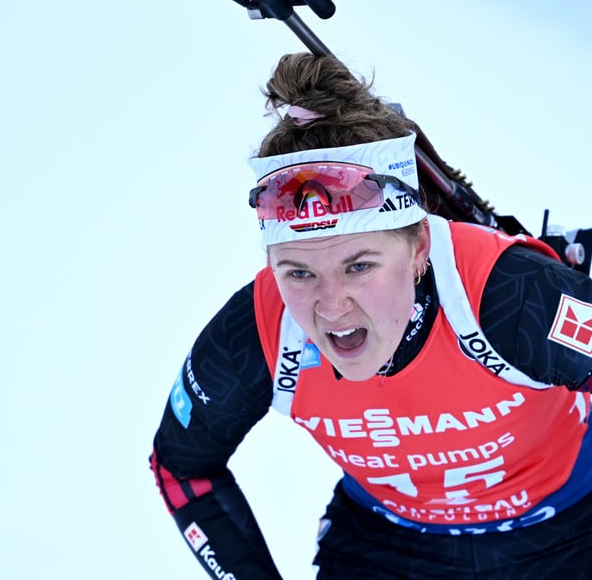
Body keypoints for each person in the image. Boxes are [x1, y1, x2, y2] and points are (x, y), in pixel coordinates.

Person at [149, 52, 592, 579]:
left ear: (419, 247)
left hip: (570, 530)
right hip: (388, 547)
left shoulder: (509, 296)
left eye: (358, 266)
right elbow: (181, 468)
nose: (331, 306)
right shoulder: (260, 330)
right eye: (298, 273)